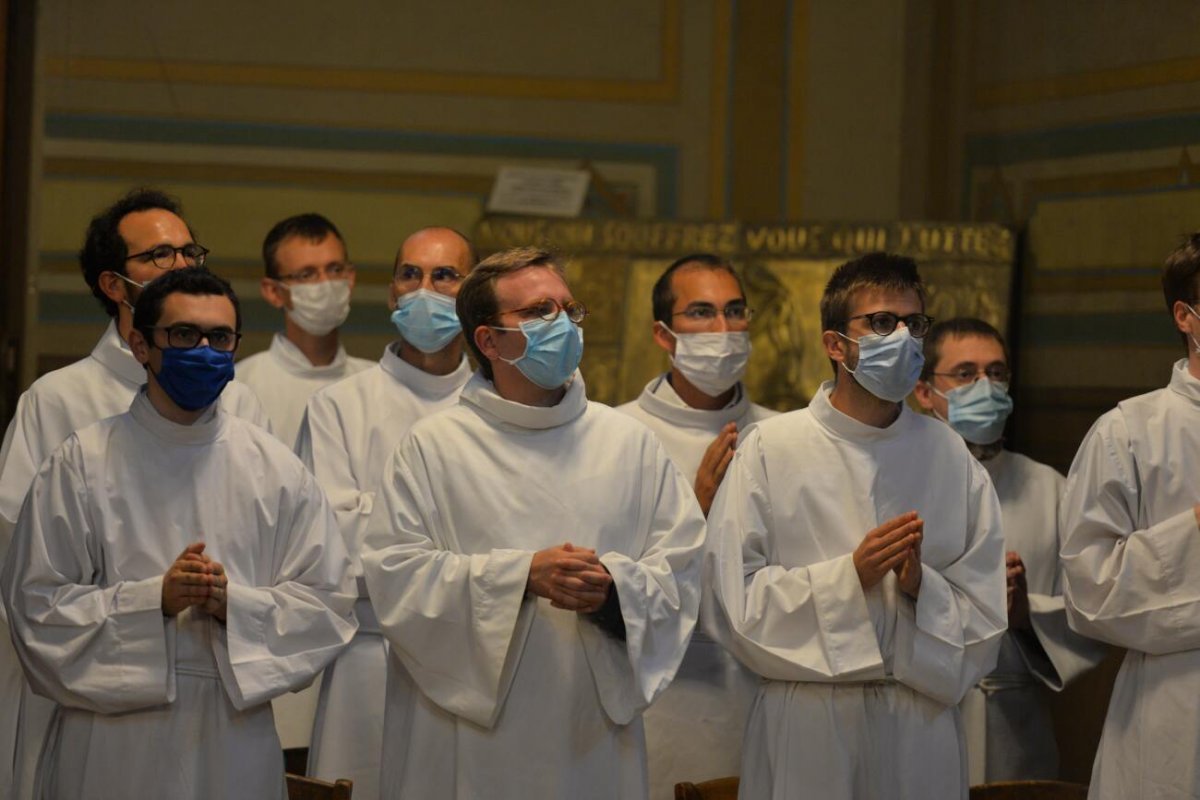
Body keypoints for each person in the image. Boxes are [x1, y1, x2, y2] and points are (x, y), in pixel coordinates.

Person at [361, 246, 705, 798]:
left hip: (587, 732)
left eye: (569, 310)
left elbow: (683, 569)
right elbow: (394, 575)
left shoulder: (629, 444)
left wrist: (614, 590)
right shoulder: (433, 447)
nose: (563, 325)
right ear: (488, 341)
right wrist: (520, 576)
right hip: (468, 740)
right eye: (540, 313)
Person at [0, 267, 356, 800]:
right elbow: (34, 610)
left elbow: (329, 604)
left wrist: (234, 603)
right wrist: (154, 602)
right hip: (111, 741)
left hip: (234, 737)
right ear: (141, 345)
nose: (206, 350)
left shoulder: (275, 469)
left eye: (221, 338)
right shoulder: (81, 463)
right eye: (184, 335)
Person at [703, 252, 1007, 799]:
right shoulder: (772, 449)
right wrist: (851, 578)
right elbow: (731, 602)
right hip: (811, 723)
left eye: (914, 324)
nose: (904, 338)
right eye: (882, 322)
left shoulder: (950, 455)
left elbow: (986, 613)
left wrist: (921, 586)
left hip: (921, 725)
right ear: (835, 345)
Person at [0, 188, 268, 800]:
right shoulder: (59, 399)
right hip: (100, 681)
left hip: (223, 676)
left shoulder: (240, 399)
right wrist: (145, 604)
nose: (183, 266)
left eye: (189, 251)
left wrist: (231, 595)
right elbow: (20, 551)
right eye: (160, 256)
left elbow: (273, 533)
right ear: (115, 285)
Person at [294, 227, 476, 800]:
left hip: (475, 657)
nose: (425, 289)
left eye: (444, 276)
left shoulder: (498, 405)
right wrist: (454, 528)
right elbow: (330, 549)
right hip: (366, 661)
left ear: (474, 295)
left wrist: (380, 515)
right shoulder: (338, 407)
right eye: (410, 275)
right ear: (391, 293)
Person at [913, 317, 1104, 784]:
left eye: (996, 374)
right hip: (920, 718)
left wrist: (1025, 617)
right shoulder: (898, 479)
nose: (986, 386)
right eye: (965, 374)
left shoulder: (1050, 490)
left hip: (1014, 726)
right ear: (923, 391)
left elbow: (1090, 610)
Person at [616, 253, 774, 797]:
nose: (724, 331)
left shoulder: (785, 436)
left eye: (735, 311)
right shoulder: (615, 435)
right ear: (664, 334)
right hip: (663, 693)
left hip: (764, 690)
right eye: (702, 313)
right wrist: (697, 507)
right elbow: (606, 576)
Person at [1060, 232, 1200, 799]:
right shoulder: (1130, 432)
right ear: (1185, 316)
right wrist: (1194, 528)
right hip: (1177, 703)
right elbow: (1089, 589)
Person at [236, 213, 373, 447]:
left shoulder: (376, 383)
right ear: (273, 292)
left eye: (334, 269)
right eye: (307, 274)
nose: (324, 283)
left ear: (350, 278)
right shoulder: (239, 387)